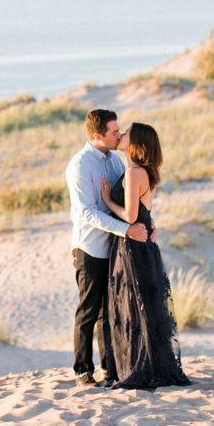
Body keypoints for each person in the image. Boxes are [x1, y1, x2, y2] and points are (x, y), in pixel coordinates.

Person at [100, 122, 192, 389]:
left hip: (131, 245)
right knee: (147, 307)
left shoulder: (134, 173)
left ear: (136, 142)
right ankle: (151, 363)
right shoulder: (148, 172)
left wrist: (107, 201)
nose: (122, 135)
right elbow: (145, 213)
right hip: (145, 244)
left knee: (133, 304)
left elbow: (130, 217)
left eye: (127, 133)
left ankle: (139, 366)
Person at [64, 109, 151, 387]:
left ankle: (109, 367)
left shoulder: (115, 161)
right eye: (114, 132)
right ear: (96, 136)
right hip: (89, 247)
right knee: (88, 310)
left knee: (109, 312)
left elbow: (129, 203)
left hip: (115, 249)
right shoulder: (80, 165)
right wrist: (127, 229)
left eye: (118, 130)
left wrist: (149, 224)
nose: (119, 135)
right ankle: (82, 370)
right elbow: (86, 213)